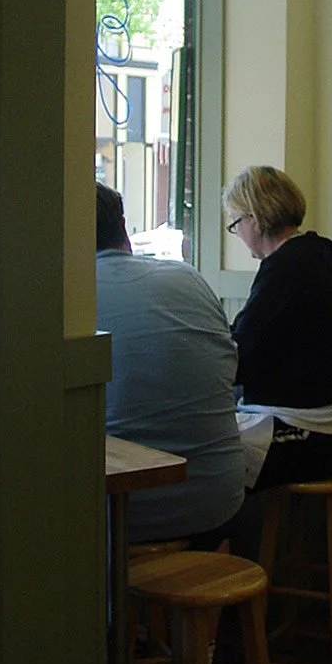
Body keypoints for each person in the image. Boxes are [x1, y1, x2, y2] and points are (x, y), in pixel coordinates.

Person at [96, 182, 244, 547]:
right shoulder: (188, 277)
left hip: (120, 521)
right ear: (123, 227)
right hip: (217, 506)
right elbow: (230, 369)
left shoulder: (66, 296)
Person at [222, 164, 332, 490]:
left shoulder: (287, 266)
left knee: (204, 453)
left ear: (255, 218)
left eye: (236, 223)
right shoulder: (321, 252)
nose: (238, 234)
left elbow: (243, 357)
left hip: (313, 433)